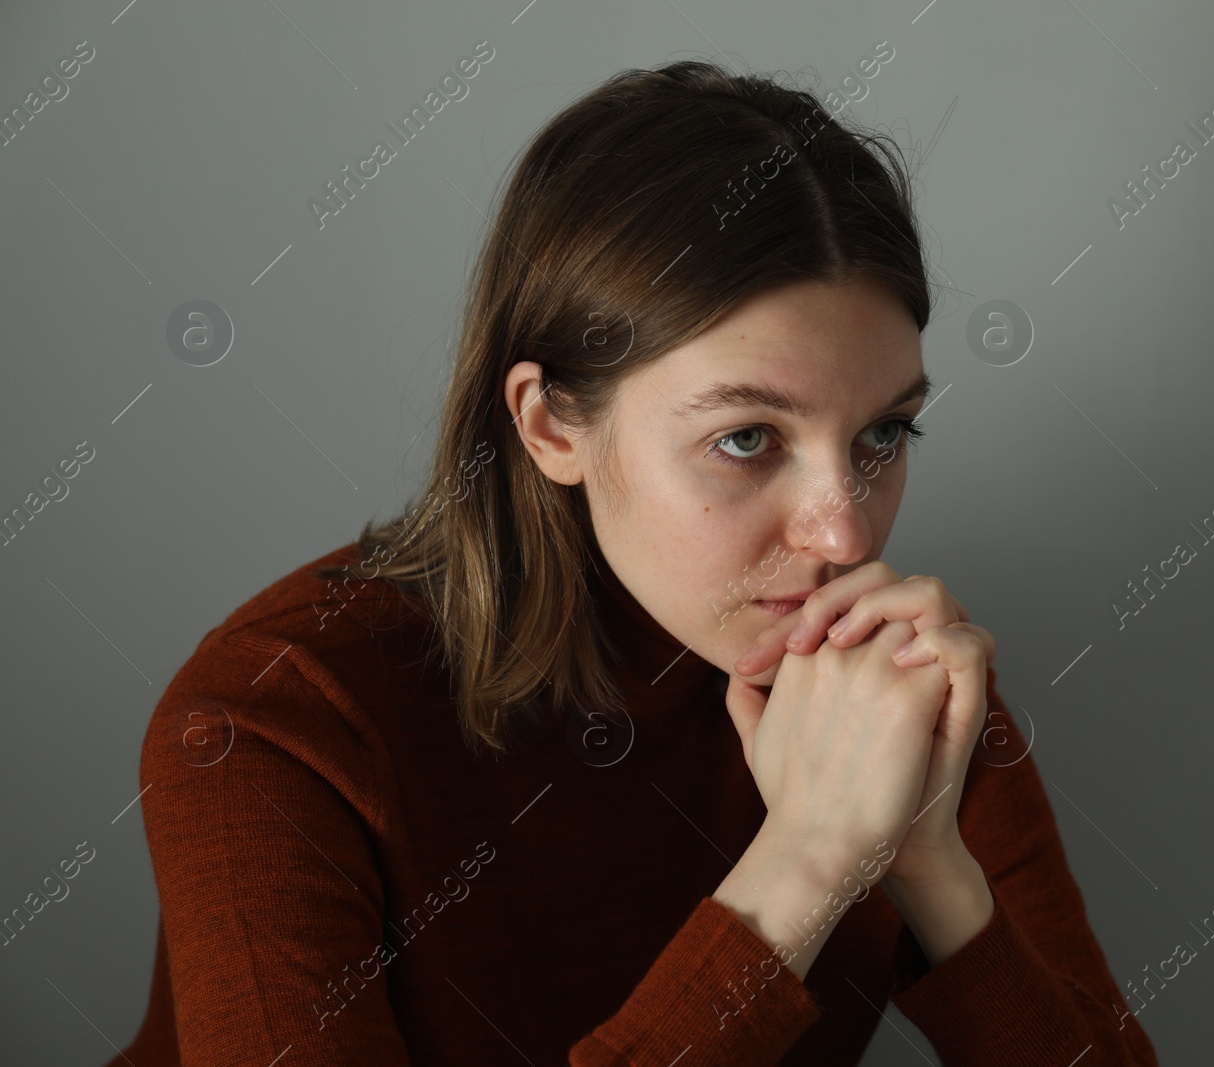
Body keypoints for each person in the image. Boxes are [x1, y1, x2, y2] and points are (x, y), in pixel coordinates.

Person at [111, 59, 1160, 1066]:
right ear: (549, 425)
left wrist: (931, 869)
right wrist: (807, 865)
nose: (843, 538)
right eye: (747, 437)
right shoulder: (277, 718)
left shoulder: (885, 688)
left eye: (885, 435)